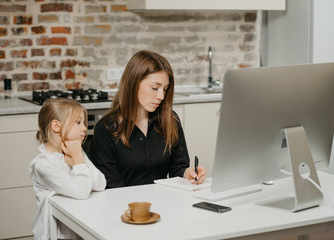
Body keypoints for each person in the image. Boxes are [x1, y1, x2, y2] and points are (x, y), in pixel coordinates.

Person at [90, 50, 206, 188]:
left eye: (165, 89)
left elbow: (177, 168)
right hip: (126, 207)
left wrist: (187, 174)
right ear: (133, 83)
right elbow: (112, 187)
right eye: (155, 87)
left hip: (164, 203)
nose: (161, 96)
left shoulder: (171, 120)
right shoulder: (106, 128)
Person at [29, 98, 106, 240]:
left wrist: (77, 160)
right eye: (78, 122)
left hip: (77, 228)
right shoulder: (44, 165)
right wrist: (77, 160)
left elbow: (101, 184)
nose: (84, 127)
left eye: (83, 122)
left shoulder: (76, 151)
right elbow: (82, 192)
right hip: (55, 235)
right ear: (56, 126)